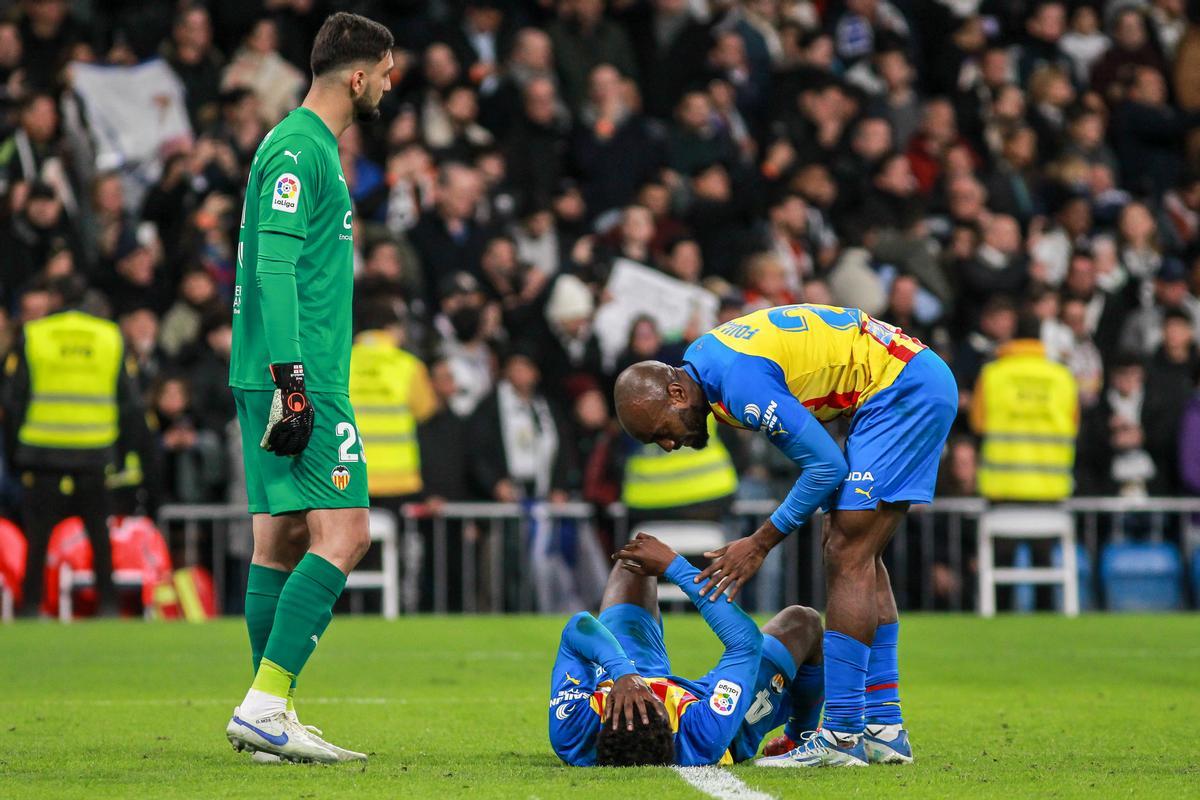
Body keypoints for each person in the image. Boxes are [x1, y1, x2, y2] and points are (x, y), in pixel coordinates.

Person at [613, 303, 956, 766]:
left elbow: (826, 468)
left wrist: (758, 544)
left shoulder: (736, 386)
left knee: (846, 548)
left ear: (676, 392)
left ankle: (841, 734)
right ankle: (883, 727)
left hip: (899, 388)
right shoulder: (705, 362)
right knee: (855, 545)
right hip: (904, 379)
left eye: (662, 432)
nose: (670, 445)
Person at [223, 12, 394, 765]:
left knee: (281, 541)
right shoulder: (300, 148)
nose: (390, 84)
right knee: (347, 533)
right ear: (356, 77)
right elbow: (273, 269)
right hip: (300, 374)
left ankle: (272, 717)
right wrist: (293, 381)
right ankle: (265, 703)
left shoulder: (304, 145)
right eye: (386, 72)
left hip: (272, 369)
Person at [550, 532, 825, 767]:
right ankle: (799, 738)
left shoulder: (573, 730)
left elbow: (579, 626)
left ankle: (627, 674)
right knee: (803, 623)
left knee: (636, 556)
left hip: (633, 669)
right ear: (670, 723)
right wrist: (675, 567)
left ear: (603, 715)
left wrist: (624, 674)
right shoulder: (704, 732)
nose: (651, 691)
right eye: (653, 700)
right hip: (713, 712)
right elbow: (744, 642)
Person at [0, 274, 150, 617]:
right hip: (95, 450)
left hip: (41, 451)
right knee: (99, 534)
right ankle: (108, 605)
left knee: (38, 538)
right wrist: (120, 451)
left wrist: (15, 454)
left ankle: (30, 606)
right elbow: (130, 405)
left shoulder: (35, 335)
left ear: (54, 298)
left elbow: (14, 401)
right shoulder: (109, 336)